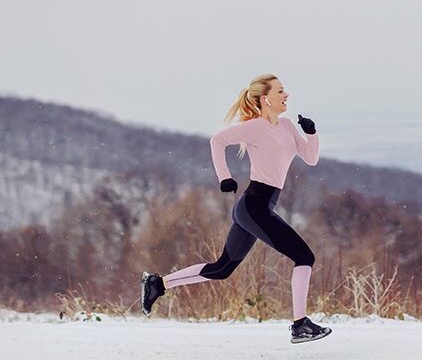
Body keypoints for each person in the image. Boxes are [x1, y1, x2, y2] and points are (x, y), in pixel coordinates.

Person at [140, 73, 332, 344]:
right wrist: (224, 176)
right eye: (280, 91)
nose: (286, 95)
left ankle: (158, 284)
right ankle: (300, 325)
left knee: (222, 269)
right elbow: (217, 141)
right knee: (304, 257)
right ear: (265, 99)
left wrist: (311, 133)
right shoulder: (254, 127)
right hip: (254, 205)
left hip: (258, 206)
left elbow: (310, 158)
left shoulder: (288, 126)